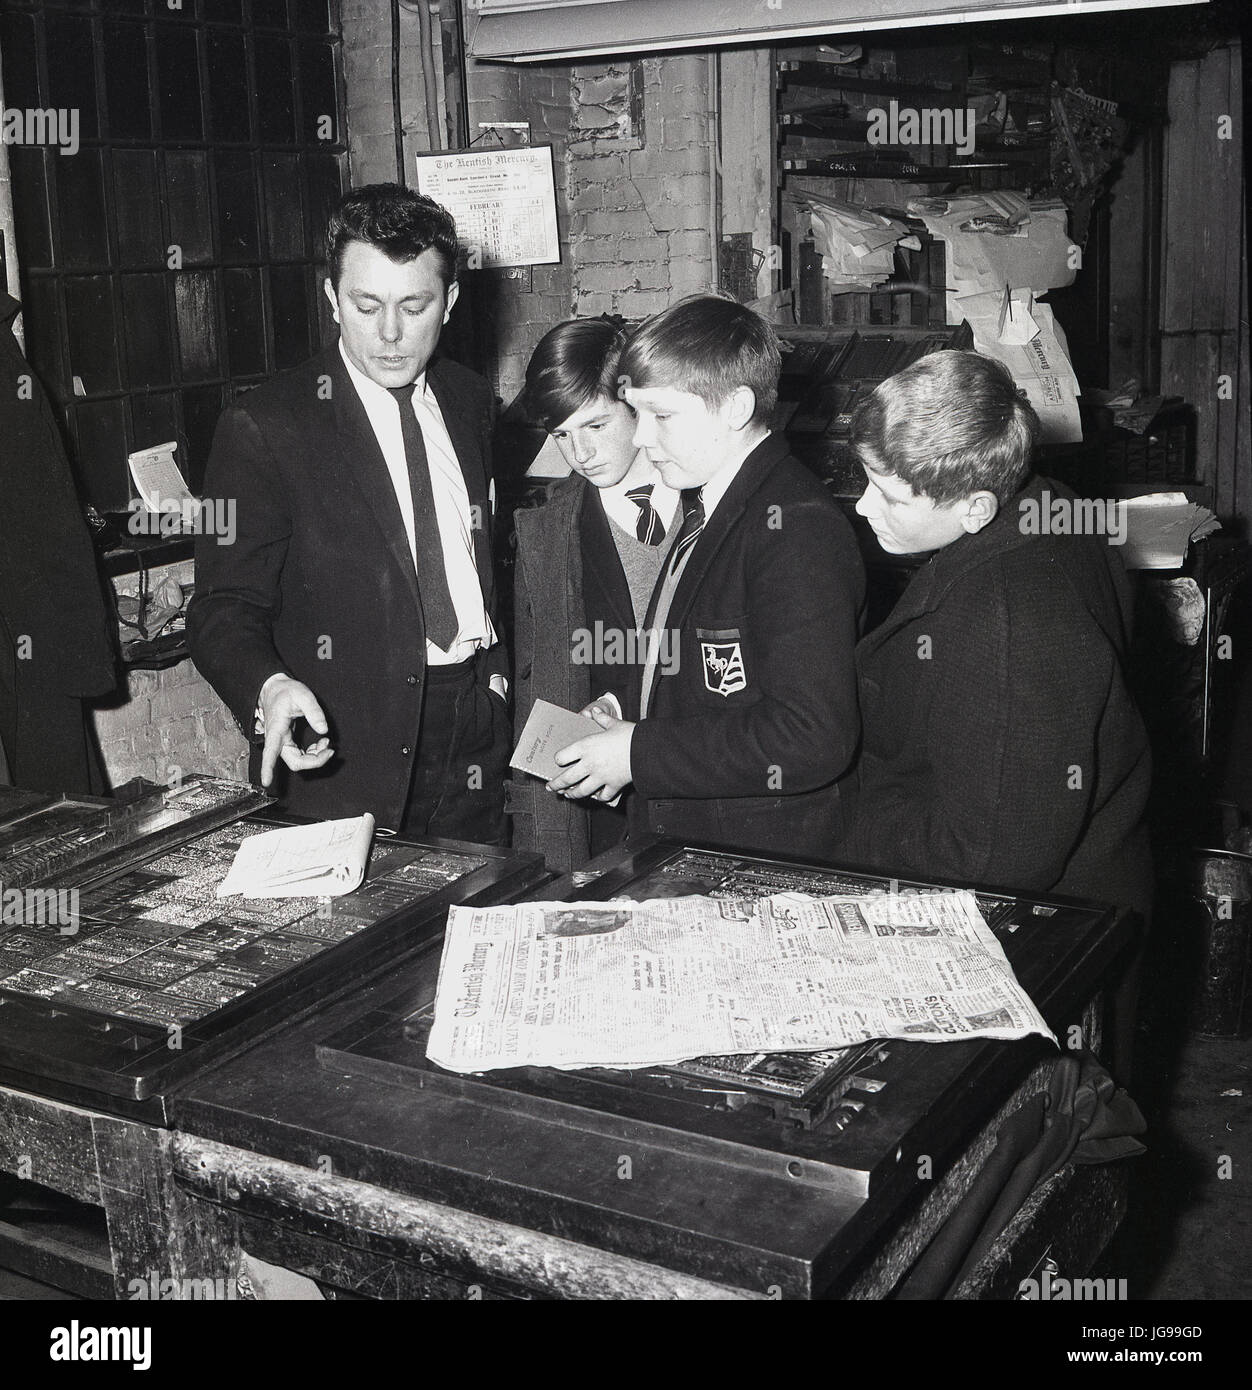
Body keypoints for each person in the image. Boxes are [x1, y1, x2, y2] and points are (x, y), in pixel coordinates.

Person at [187, 184, 510, 840]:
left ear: (448, 302)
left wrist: (496, 685)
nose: (390, 334)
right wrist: (269, 687)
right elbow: (221, 608)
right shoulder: (265, 425)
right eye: (366, 306)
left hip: (471, 726)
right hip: (340, 743)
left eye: (414, 306)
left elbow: (479, 557)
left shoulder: (471, 400)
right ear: (332, 299)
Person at [546, 295, 865, 860]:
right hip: (695, 834)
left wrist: (638, 752)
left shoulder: (794, 526)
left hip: (757, 849)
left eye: (661, 415)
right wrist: (631, 718)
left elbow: (811, 736)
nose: (641, 438)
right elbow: (719, 678)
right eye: (637, 414)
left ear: (736, 408)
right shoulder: (709, 507)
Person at [840, 348, 1152, 921]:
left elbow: (987, 861)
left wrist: (841, 822)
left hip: (1045, 922)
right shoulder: (1050, 503)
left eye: (889, 495)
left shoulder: (1004, 622)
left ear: (976, 507)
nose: (863, 507)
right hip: (1095, 866)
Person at [509, 316, 680, 870]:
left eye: (597, 425)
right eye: (561, 435)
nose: (580, 453)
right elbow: (541, 684)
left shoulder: (709, 503)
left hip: (702, 780)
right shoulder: (546, 531)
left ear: (638, 405)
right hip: (601, 809)